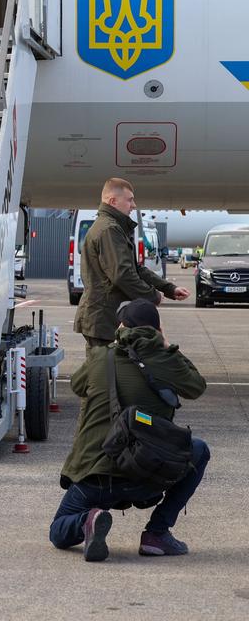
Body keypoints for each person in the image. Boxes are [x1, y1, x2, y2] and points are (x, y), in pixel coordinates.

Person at [51, 299, 209, 561]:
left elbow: (78, 387)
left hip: (96, 475)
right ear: (157, 329)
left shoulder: (101, 357)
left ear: (122, 326)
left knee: (58, 531)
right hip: (147, 474)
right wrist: (167, 348)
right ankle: (156, 534)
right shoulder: (166, 360)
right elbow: (196, 385)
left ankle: (88, 520)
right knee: (199, 450)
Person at [74, 178, 189, 352]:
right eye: (129, 200)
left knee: (111, 370)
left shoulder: (114, 228)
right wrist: (152, 296)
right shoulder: (109, 230)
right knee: (104, 374)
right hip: (103, 318)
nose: (134, 205)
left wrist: (168, 288)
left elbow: (136, 268)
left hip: (105, 316)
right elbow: (123, 275)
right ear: (113, 201)